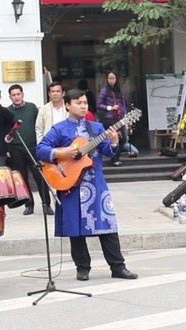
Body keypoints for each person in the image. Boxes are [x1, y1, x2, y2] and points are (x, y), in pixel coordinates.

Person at [37, 89, 138, 281]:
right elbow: (41, 149)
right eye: (78, 103)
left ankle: (118, 266)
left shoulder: (97, 127)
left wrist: (115, 142)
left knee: (108, 226)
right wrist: (63, 152)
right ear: (67, 105)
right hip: (71, 185)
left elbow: (108, 152)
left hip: (96, 184)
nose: (83, 106)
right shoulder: (59, 129)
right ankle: (82, 267)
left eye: (85, 102)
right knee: (75, 229)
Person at [7, 84, 53, 216]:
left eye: (18, 94)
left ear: (22, 94)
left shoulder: (32, 107)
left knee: (39, 176)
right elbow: (7, 132)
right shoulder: (8, 111)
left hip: (33, 147)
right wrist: (8, 149)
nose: (16, 97)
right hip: (16, 149)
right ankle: (29, 204)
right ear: (10, 97)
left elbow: (39, 126)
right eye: (13, 95)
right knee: (22, 178)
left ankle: (46, 204)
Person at [97, 70, 128, 166]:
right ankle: (114, 158)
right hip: (109, 118)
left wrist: (125, 115)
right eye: (109, 78)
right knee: (115, 138)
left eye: (113, 78)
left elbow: (123, 104)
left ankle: (115, 157)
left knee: (123, 139)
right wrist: (110, 108)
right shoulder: (104, 90)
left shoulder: (119, 90)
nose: (111, 80)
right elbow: (98, 104)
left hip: (120, 118)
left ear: (116, 79)